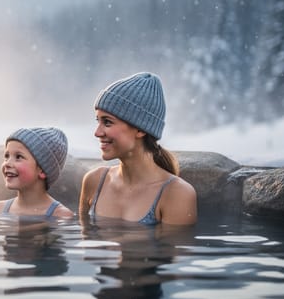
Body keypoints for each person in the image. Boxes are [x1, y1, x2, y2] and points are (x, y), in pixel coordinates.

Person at [78, 72, 197, 225]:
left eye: (107, 122)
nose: (97, 132)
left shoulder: (176, 194)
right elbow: (86, 245)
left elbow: (170, 249)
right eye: (98, 121)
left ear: (140, 130)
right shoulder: (94, 181)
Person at [0, 127, 74, 218]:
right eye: (7, 156)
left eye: (18, 157)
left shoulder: (61, 215)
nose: (7, 163)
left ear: (42, 170)